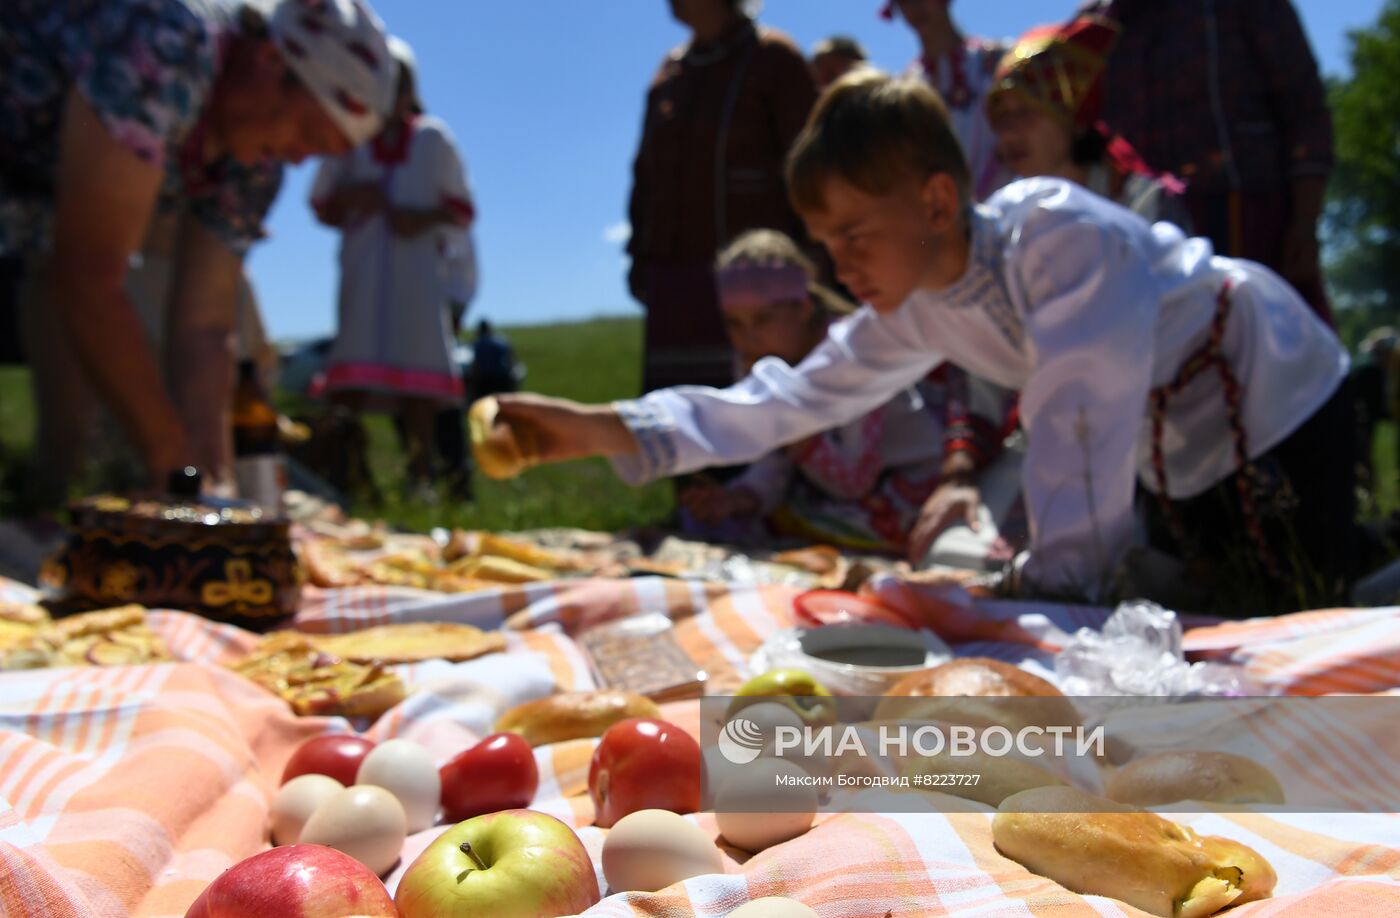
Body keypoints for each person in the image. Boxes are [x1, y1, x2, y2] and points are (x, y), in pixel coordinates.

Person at [491, 71, 1355, 613]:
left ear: (938, 202)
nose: (842, 263)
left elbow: (1078, 412)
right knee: (1218, 601)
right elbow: (787, 398)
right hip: (1169, 440)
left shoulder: (1058, 235)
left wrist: (1050, 596)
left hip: (1273, 387)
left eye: (855, 234)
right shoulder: (915, 307)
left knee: (1312, 595)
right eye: (826, 244)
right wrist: (601, 428)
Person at [2, 0, 395, 506]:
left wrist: (212, 482)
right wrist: (171, 459)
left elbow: (206, 325)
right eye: (308, 132)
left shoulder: (254, 166)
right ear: (271, 63)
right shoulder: (169, 49)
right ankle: (55, 495)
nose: (299, 157)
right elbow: (88, 278)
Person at [679, 229, 1013, 557]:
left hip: (910, 483)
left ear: (803, 308)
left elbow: (853, 481)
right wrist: (738, 499)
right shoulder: (757, 362)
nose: (747, 336)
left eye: (763, 319)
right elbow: (774, 464)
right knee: (712, 522)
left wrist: (789, 425)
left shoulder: (856, 353)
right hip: (837, 493)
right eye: (734, 323)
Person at [1087, 0, 1335, 325]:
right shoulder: (1100, 21)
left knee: (1252, 350)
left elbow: (1304, 109)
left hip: (1246, 218)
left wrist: (1304, 223)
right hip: (1137, 230)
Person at [628, 0, 818, 392]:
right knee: (680, 406)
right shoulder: (670, 72)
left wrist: (816, 252)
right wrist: (639, 253)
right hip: (676, 279)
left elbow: (810, 163)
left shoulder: (772, 57)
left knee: (762, 404)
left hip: (759, 279)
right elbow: (646, 172)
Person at [311, 37, 473, 493]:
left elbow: (462, 210)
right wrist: (352, 198)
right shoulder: (349, 139)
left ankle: (421, 474)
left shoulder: (432, 140)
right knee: (351, 371)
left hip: (416, 274)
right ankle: (341, 469)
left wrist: (420, 218)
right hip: (364, 272)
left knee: (418, 372)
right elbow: (321, 203)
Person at [985, 15, 1191, 229]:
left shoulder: (1145, 203)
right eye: (1002, 118)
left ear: (1076, 122)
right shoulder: (1002, 219)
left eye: (1026, 112)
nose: (1008, 132)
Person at [882, 0, 1011, 201]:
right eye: (904, 2)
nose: (916, 7)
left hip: (1008, 204)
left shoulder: (999, 60)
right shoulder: (906, 88)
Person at [469, 319, 517, 403]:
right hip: (503, 378)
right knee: (504, 404)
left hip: (485, 380)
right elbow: (511, 359)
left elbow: (475, 364)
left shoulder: (478, 343)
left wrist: (473, 382)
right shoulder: (502, 341)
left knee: (485, 404)